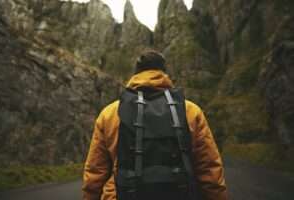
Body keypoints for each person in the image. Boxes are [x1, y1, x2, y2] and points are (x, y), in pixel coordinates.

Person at [82, 50, 228, 200]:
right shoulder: (190, 111)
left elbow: (95, 174)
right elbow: (209, 170)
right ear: (164, 73)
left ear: (136, 74)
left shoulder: (110, 114)